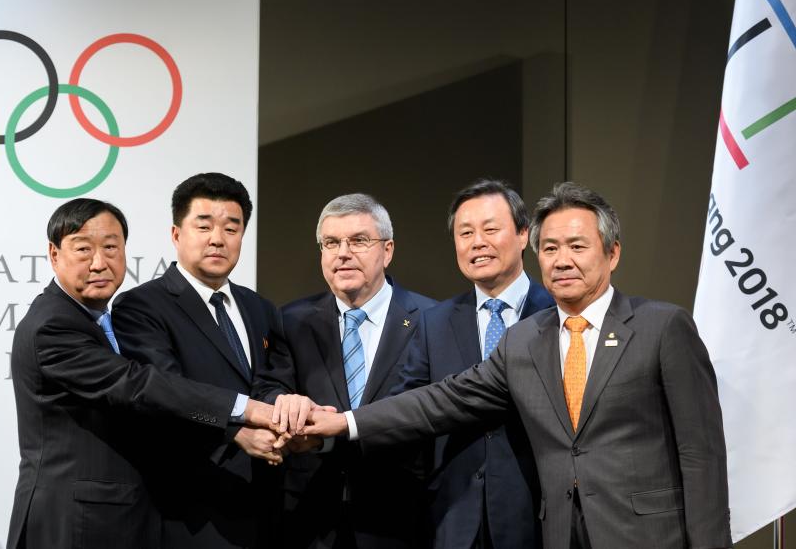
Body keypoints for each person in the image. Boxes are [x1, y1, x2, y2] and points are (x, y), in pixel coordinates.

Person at [302, 183, 731, 549]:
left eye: (577, 246)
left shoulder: (662, 326)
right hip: (559, 533)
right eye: (550, 248)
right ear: (536, 252)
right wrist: (344, 422)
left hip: (645, 534)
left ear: (612, 253)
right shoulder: (526, 340)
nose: (562, 260)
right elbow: (441, 399)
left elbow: (700, 455)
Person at [7, 198, 278, 549]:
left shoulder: (100, 319)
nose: (99, 263)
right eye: (83, 249)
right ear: (54, 254)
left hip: (123, 516)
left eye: (111, 248)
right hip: (75, 521)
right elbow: (136, 386)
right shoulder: (53, 326)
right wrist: (245, 411)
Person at [255, 193, 437, 548]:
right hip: (309, 516)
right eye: (331, 243)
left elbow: (435, 410)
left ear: (387, 250)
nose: (343, 253)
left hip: (400, 515)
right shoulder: (291, 319)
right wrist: (287, 403)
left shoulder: (430, 319)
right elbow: (267, 388)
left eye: (358, 241)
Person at [113, 173, 283, 548]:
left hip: (266, 502)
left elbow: (272, 381)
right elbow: (164, 393)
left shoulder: (261, 308)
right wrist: (234, 432)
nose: (217, 239)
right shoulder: (141, 306)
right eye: (203, 226)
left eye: (231, 228)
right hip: (190, 508)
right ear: (177, 235)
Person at [393, 179, 552, 548]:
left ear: (523, 235)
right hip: (453, 518)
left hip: (538, 516)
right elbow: (411, 409)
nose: (477, 241)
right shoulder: (434, 322)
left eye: (490, 229)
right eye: (465, 233)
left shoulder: (556, 312)